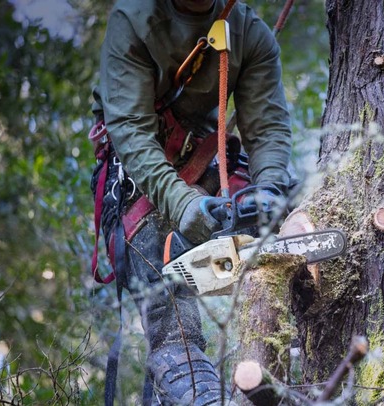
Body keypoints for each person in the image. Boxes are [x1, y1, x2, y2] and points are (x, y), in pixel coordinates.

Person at [89, 0, 292, 403]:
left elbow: (267, 127)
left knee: (283, 220)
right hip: (138, 178)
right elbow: (130, 131)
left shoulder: (250, 34)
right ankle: (200, 394)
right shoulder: (134, 20)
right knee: (171, 323)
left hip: (208, 165)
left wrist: (268, 190)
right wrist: (181, 205)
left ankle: (278, 364)